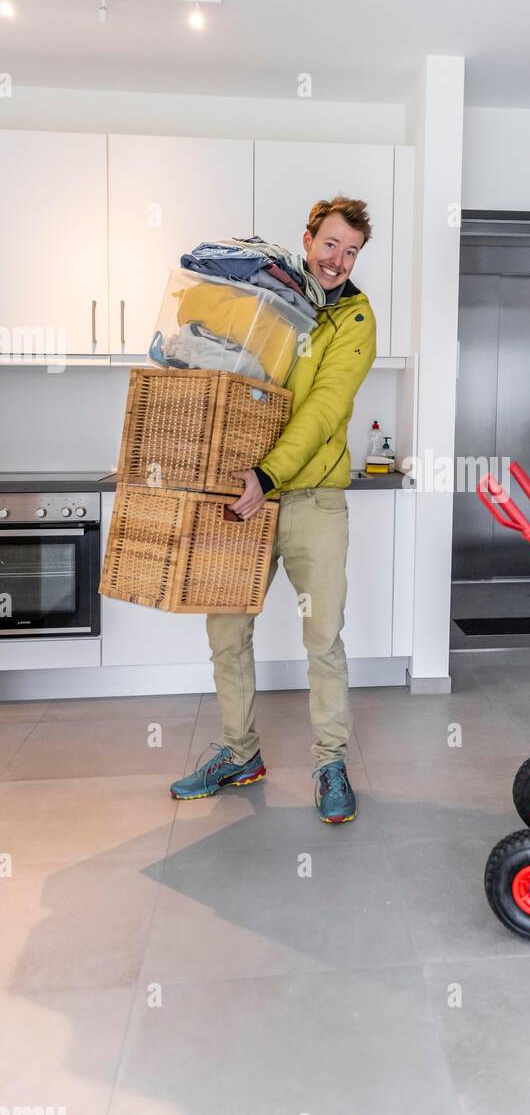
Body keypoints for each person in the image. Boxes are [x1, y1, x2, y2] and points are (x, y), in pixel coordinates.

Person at [170, 196, 377, 823]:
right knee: (226, 629)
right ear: (308, 238)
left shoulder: (355, 319)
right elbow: (209, 348)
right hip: (242, 498)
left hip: (310, 499)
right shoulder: (269, 297)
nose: (338, 260)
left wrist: (268, 473)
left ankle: (331, 762)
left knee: (323, 636)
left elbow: (323, 410)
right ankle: (240, 753)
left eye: (351, 251)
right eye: (331, 244)